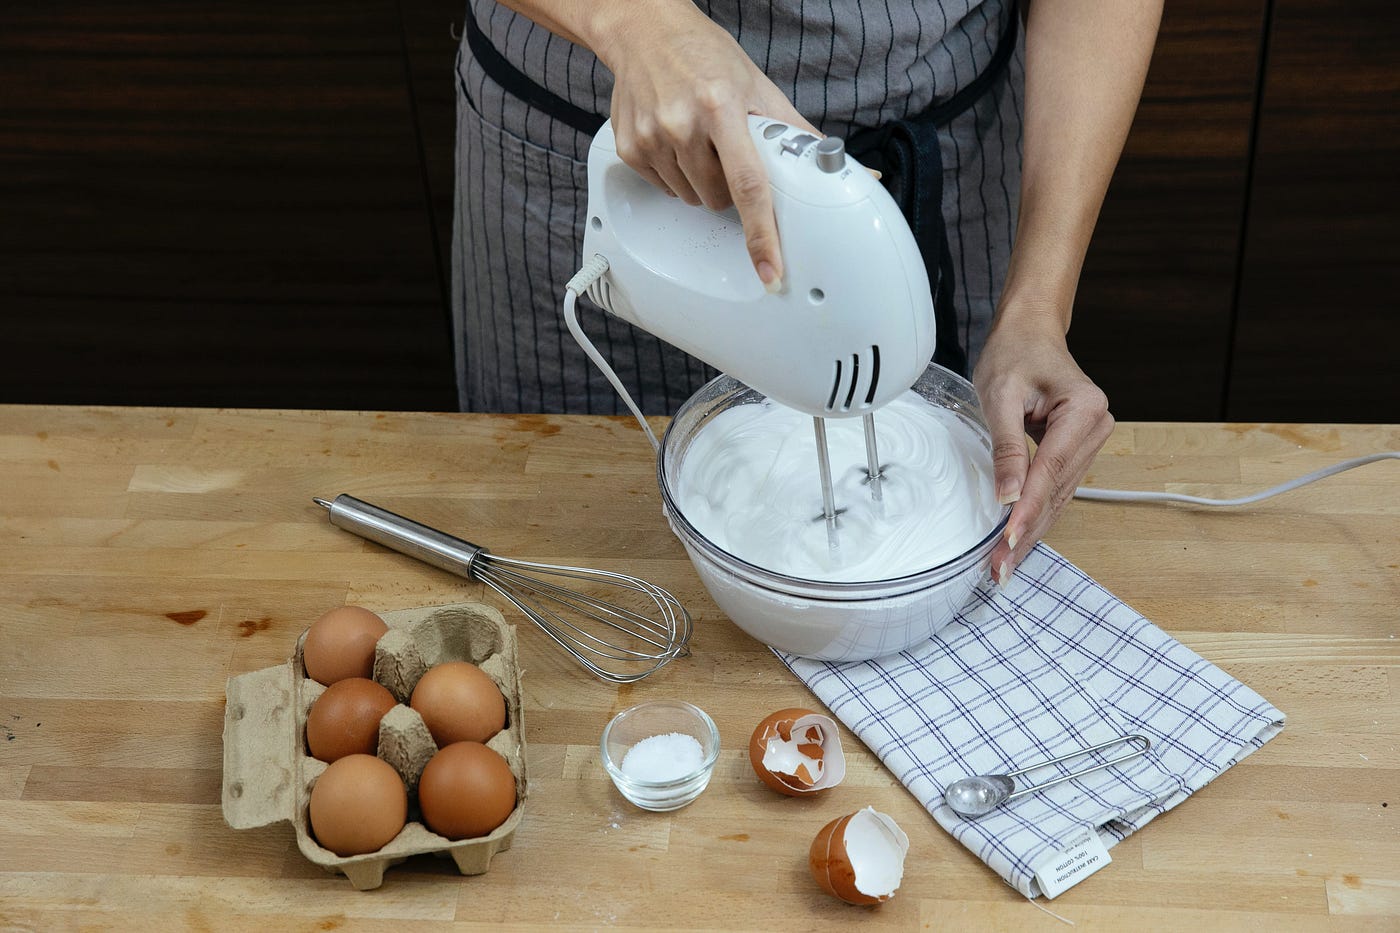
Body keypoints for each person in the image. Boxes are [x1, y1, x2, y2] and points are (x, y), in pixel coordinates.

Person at [451, 0, 1162, 583]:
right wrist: (635, 22)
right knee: (569, 544)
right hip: (605, 163)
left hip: (943, 151)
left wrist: (1037, 301)